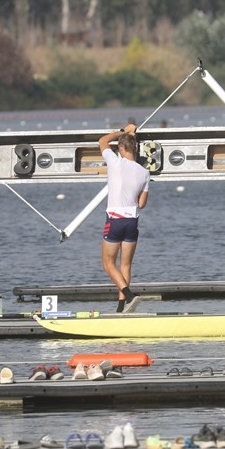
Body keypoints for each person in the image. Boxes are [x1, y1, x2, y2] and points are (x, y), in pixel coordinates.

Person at [99, 123, 150, 312]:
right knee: (126, 264)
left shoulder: (115, 162)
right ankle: (122, 308)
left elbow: (103, 141)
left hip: (115, 219)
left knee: (108, 263)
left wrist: (123, 132)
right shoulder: (145, 172)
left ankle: (129, 295)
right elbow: (142, 203)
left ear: (121, 148)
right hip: (132, 221)